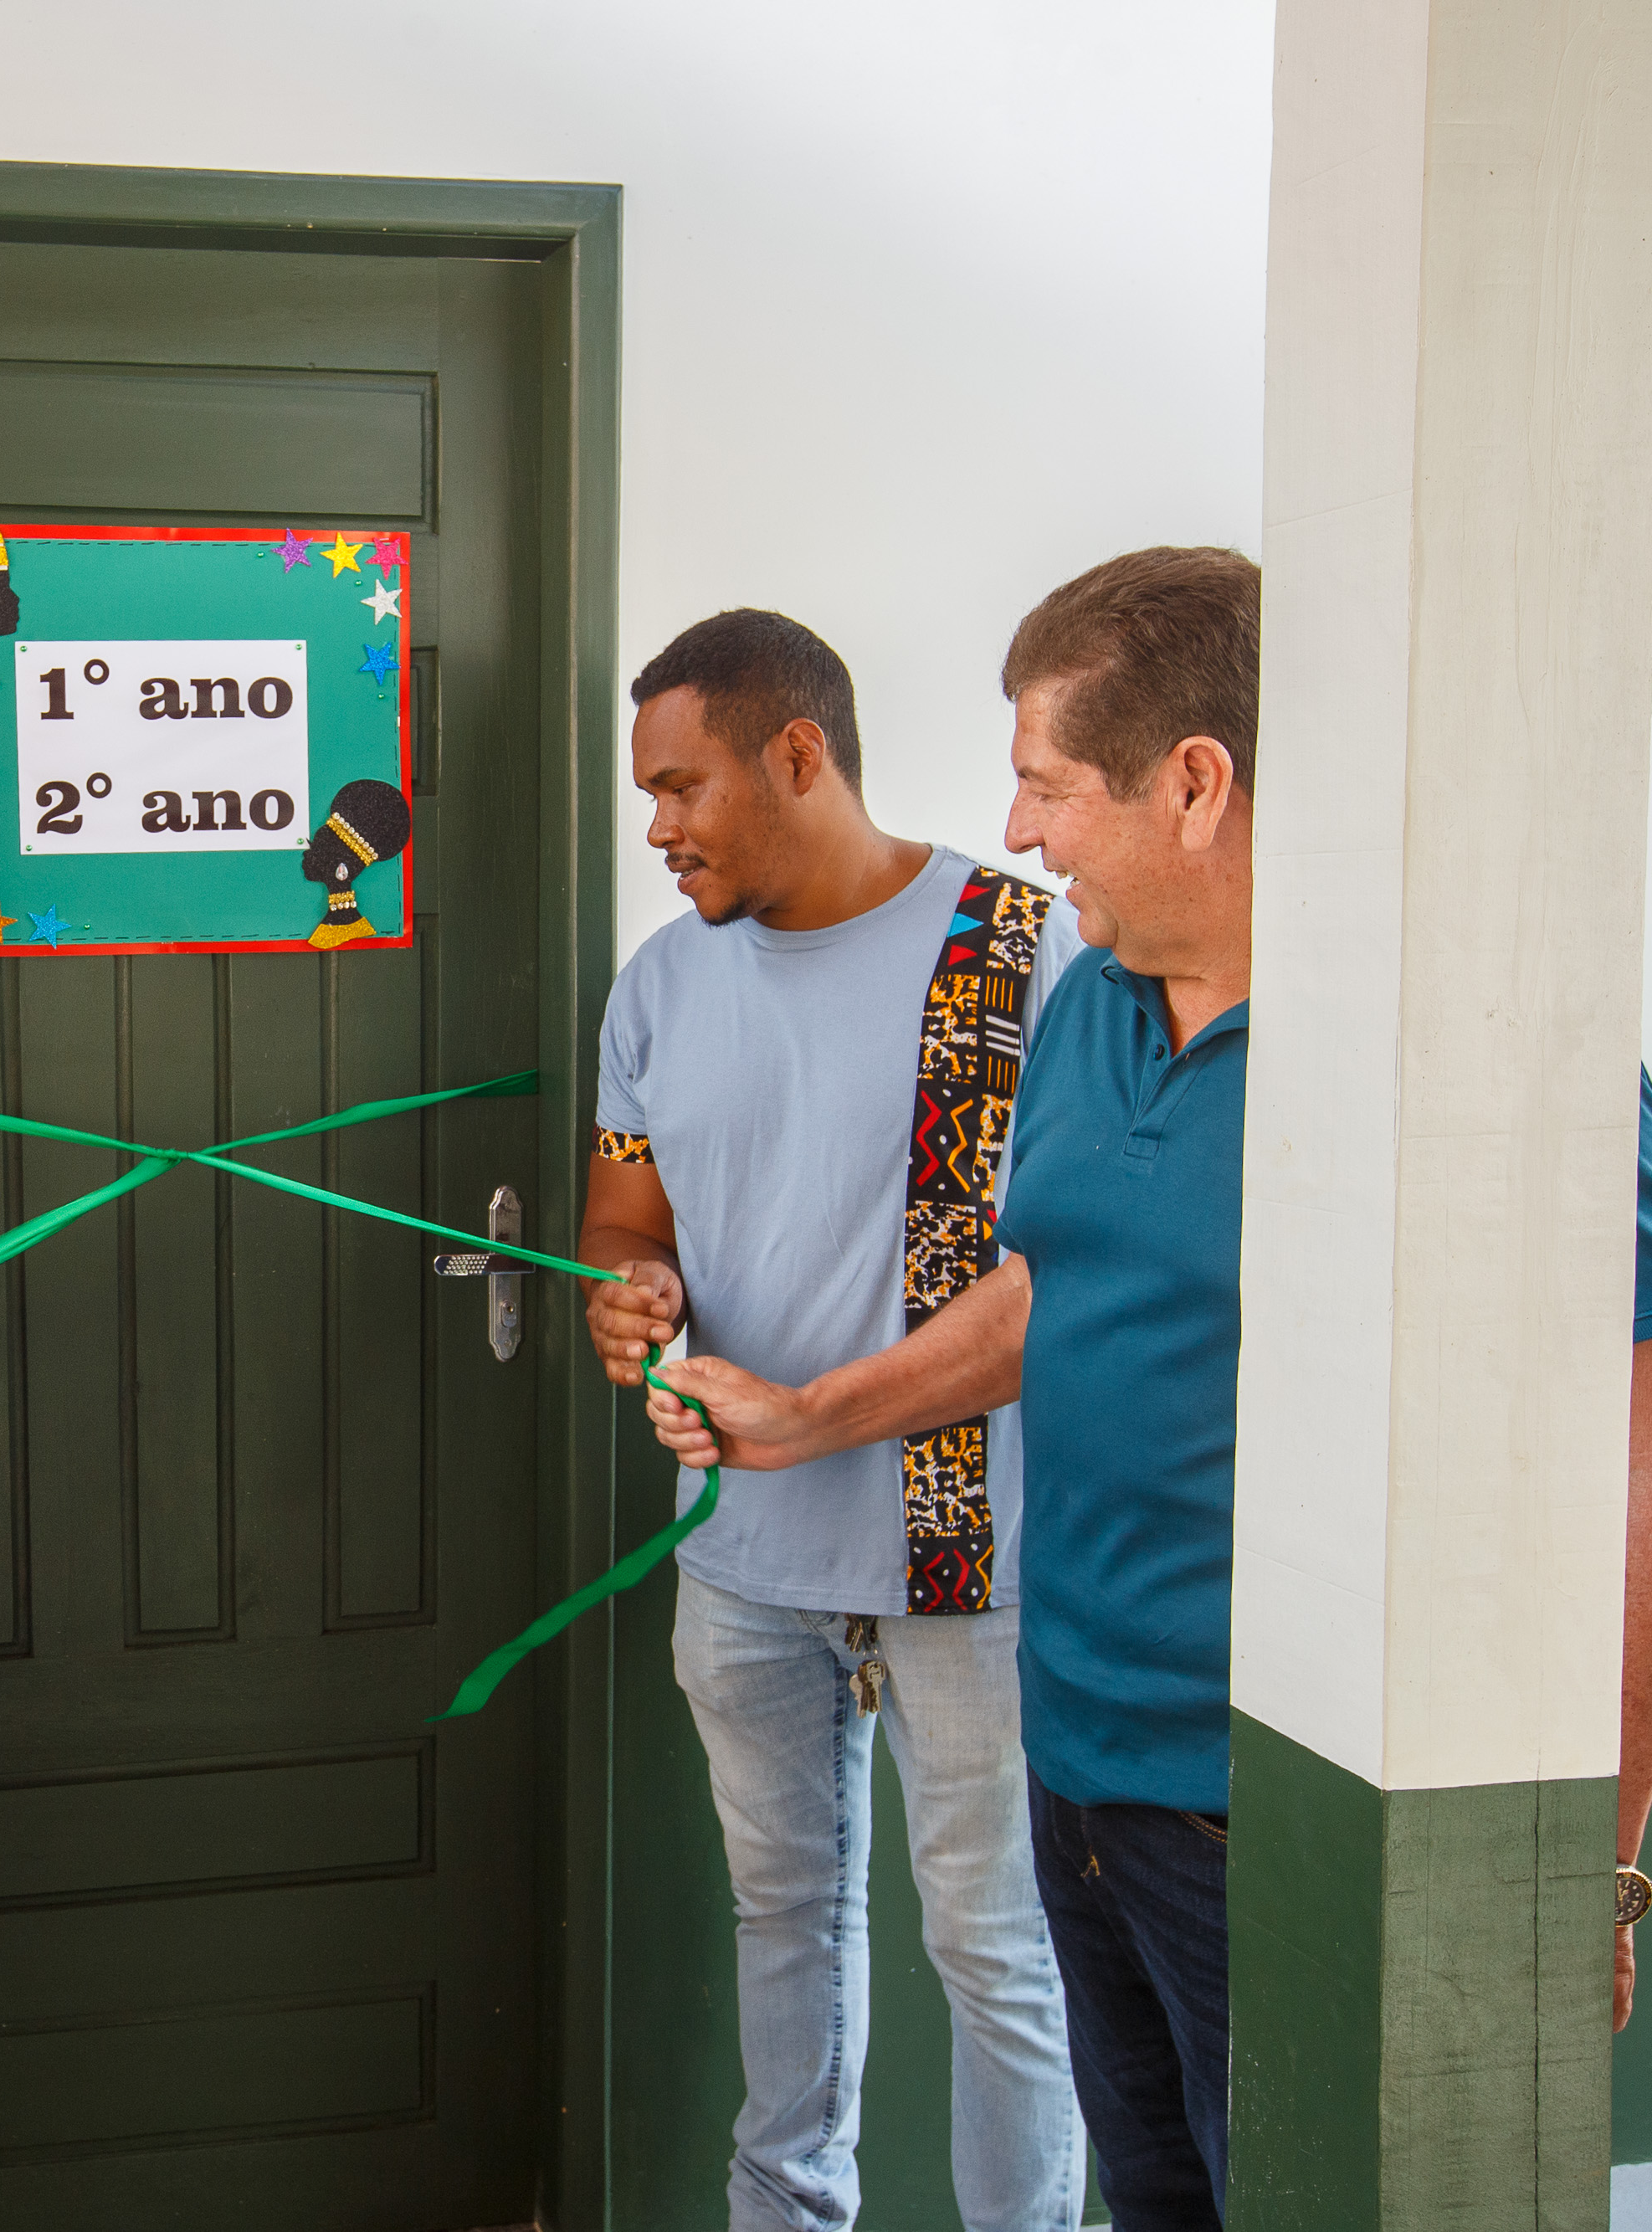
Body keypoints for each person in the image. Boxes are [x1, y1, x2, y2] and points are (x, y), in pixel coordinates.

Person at [649, 548, 1652, 2229]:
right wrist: (812, 1413)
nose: (1017, 833)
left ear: (1192, 783)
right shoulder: (1088, 1001)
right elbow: (1043, 1286)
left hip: (1288, 1813)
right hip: (1073, 1763)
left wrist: (1578, 1860)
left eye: (1044, 785)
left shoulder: (1476, 1035)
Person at [580, 608, 1087, 2232]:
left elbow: (1052, 1278)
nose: (655, 826)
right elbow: (619, 1219)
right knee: (783, 1917)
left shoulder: (1022, 946)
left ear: (796, 752)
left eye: (679, 786)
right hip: (738, 1563)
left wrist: (810, 1412)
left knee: (995, 1949)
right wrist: (627, 1292)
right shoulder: (653, 985)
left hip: (975, 1559)